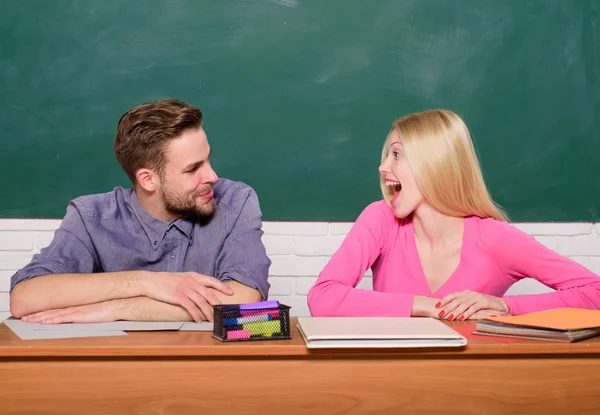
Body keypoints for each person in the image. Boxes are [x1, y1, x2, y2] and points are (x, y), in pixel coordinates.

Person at [308, 109, 600, 320]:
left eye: (396, 155)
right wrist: (425, 306)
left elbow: (594, 292)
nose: (383, 167)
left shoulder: (494, 238)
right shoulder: (380, 220)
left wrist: (504, 306)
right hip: (394, 381)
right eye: (386, 156)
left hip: (471, 385)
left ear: (433, 164)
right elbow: (322, 298)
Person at [10, 99, 271, 323]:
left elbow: (244, 300)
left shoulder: (235, 201)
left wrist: (122, 308)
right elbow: (25, 298)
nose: (212, 176)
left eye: (208, 159)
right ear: (148, 180)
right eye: (193, 169)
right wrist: (145, 283)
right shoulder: (91, 216)